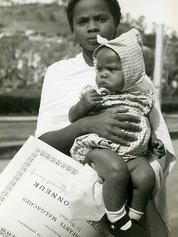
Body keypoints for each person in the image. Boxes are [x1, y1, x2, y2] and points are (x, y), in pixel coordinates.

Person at [35, 0, 176, 236]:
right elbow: (42, 145)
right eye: (82, 22)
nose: (92, 28)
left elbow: (157, 146)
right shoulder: (59, 73)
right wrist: (88, 124)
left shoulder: (139, 81)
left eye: (101, 18)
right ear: (73, 30)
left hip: (132, 192)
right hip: (74, 198)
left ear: (116, 23)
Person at [68, 30, 165, 236]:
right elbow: (73, 118)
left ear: (130, 73)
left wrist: (153, 142)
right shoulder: (96, 96)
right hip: (99, 150)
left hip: (133, 155)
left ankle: (133, 215)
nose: (103, 74)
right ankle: (116, 217)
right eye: (100, 69)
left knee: (146, 175)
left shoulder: (142, 98)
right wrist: (82, 105)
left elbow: (145, 125)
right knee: (116, 170)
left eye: (111, 69)